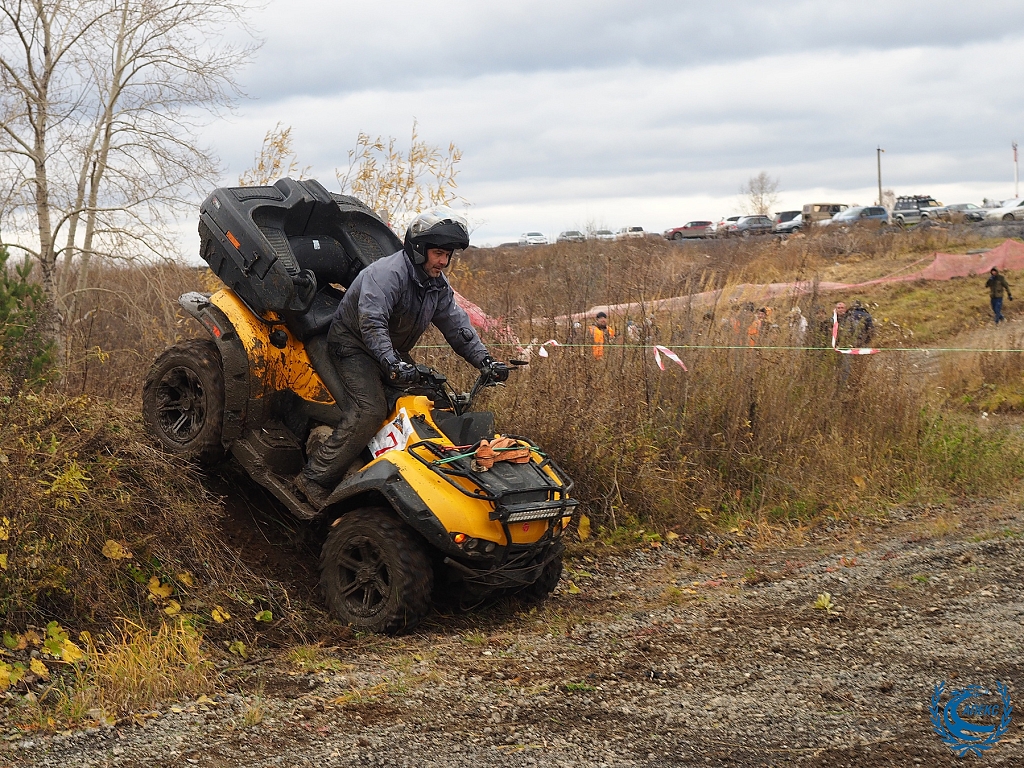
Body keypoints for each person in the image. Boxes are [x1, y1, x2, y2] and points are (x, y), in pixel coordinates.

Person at [296, 207, 509, 509]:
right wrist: (391, 363)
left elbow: (457, 327)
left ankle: (436, 479)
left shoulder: (436, 285)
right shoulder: (387, 274)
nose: (443, 261)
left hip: (390, 351)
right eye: (438, 253)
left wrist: (485, 361)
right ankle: (313, 479)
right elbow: (372, 322)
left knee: (436, 400)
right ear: (419, 249)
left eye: (448, 255)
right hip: (352, 346)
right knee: (370, 411)